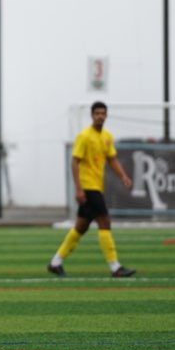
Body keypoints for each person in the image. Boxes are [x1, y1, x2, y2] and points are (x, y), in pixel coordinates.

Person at [47, 101, 136, 278]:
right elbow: (74, 161)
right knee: (105, 222)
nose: (100, 116)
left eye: (103, 113)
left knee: (81, 227)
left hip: (96, 187)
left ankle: (55, 262)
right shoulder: (84, 136)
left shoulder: (107, 136)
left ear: (106, 115)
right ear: (91, 115)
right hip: (88, 187)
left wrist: (123, 176)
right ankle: (115, 267)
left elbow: (112, 159)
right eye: (97, 113)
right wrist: (78, 189)